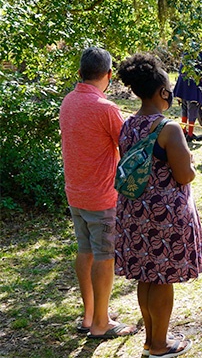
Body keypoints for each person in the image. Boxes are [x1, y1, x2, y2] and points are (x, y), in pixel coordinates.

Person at [116, 53, 202, 358]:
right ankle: (159, 344)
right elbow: (183, 175)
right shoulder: (169, 129)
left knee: (146, 275)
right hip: (163, 217)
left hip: (134, 212)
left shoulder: (128, 125)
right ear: (161, 92)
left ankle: (151, 339)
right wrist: (192, 162)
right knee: (163, 278)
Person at [59, 47, 136, 339]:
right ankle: (101, 323)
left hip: (75, 193)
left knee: (86, 251)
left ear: (80, 73)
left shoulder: (68, 101)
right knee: (104, 256)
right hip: (100, 196)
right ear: (108, 75)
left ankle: (90, 315)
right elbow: (128, 144)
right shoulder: (105, 108)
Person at [174, 52, 202, 142]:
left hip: (182, 82)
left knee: (184, 108)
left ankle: (184, 131)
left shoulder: (187, 50)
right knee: (192, 109)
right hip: (193, 83)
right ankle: (190, 135)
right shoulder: (201, 53)